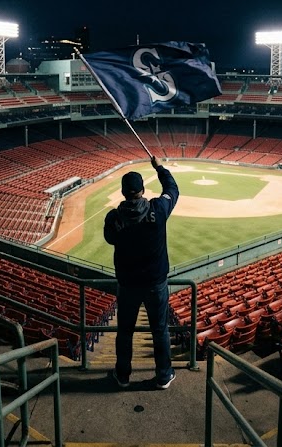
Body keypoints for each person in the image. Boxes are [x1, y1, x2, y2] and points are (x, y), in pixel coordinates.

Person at [104, 156, 179, 390]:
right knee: (160, 331)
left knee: (124, 332)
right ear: (142, 190)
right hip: (155, 283)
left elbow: (109, 238)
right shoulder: (157, 209)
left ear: (124, 192)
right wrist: (160, 168)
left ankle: (123, 375)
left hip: (127, 285)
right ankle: (163, 375)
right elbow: (172, 189)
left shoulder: (114, 218)